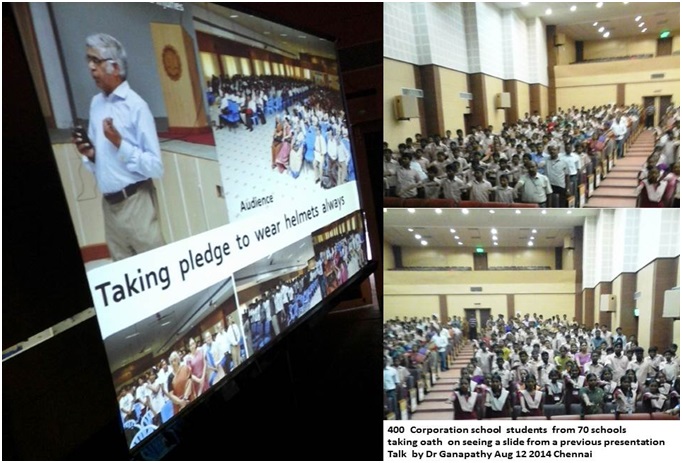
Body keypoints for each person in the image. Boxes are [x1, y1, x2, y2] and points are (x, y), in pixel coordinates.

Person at [74, 33, 165, 261]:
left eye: (96, 61)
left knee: (155, 269)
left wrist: (119, 143)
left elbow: (156, 167)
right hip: (110, 206)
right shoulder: (96, 104)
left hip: (136, 203)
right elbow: (103, 159)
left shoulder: (136, 107)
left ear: (115, 67)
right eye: (88, 61)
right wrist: (91, 154)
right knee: (124, 275)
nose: (91, 68)